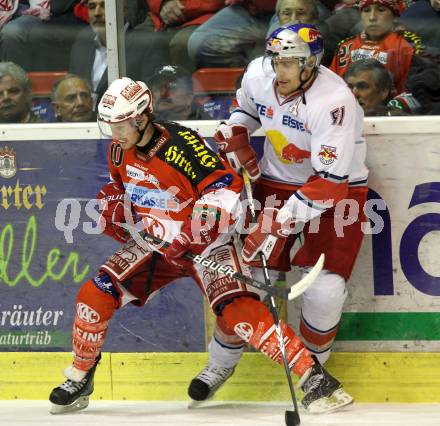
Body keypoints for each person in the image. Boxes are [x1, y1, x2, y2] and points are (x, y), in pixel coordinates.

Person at [48, 76, 352, 415]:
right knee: (94, 296)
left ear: (141, 117)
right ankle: (81, 374)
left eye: (120, 125)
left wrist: (193, 234)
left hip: (207, 244)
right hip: (157, 244)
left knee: (238, 312)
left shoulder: (183, 146)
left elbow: (225, 187)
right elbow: (120, 185)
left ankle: (314, 377)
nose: (114, 134)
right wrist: (112, 203)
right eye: (109, 126)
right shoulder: (120, 148)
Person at [187, 23, 366, 408]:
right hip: (275, 182)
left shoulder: (334, 101)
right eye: (276, 59)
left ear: (311, 64)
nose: (279, 69)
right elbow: (246, 111)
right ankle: (220, 363)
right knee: (243, 278)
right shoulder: (258, 73)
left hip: (337, 192)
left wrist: (279, 220)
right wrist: (234, 134)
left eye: (290, 62)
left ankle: (312, 373)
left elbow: (331, 182)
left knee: (324, 288)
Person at [329, 0, 424, 95]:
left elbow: (417, 93)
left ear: (394, 16)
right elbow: (331, 87)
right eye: (366, 10)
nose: (372, 17)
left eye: (381, 10)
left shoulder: (407, 46)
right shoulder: (346, 46)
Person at [0, 1, 87, 72]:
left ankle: (13, 85)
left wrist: (47, 9)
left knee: (12, 33)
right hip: (15, 7)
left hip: (54, 14)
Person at [187, 0, 277, 68]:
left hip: (284, 9)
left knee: (279, 49)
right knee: (200, 44)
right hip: (249, 7)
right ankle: (251, 76)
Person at [344, 58, 422, 116]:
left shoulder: (402, 124)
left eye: (362, 87)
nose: (353, 94)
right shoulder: (335, 120)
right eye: (349, 87)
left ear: (383, 92)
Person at [267, 0, 334, 66]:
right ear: (278, 18)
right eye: (287, 13)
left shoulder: (320, 38)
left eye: (301, 13)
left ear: (313, 17)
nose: (294, 19)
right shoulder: (274, 34)